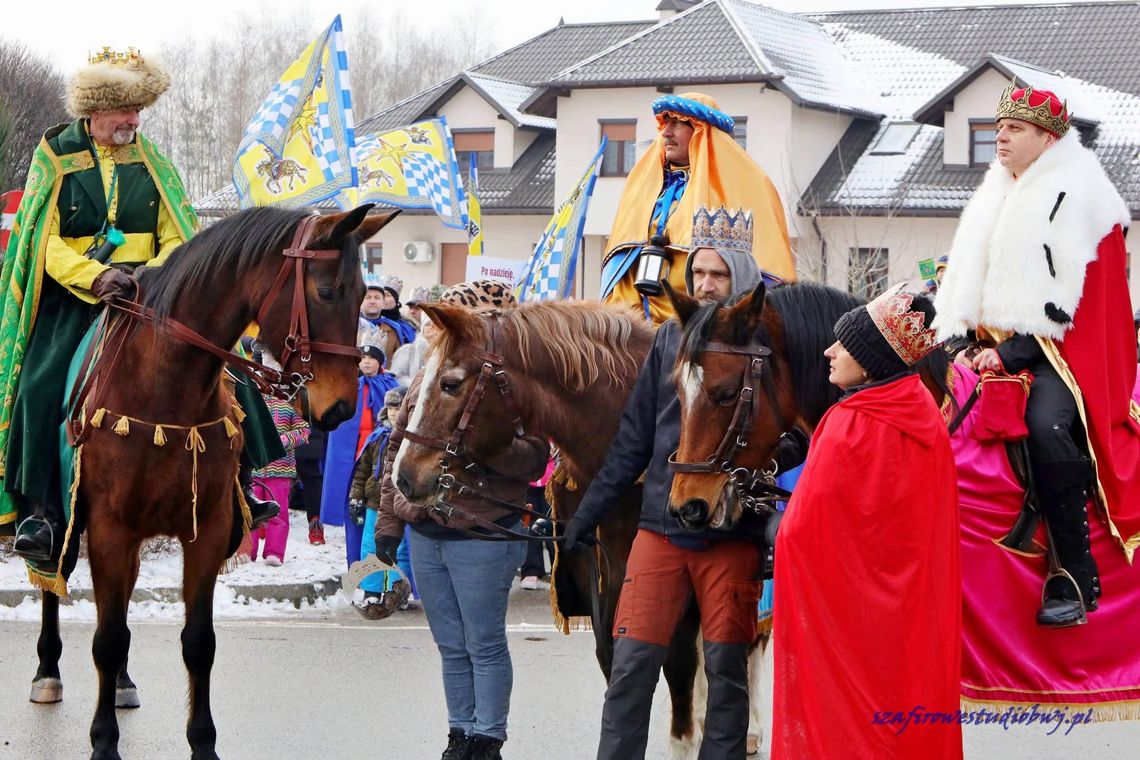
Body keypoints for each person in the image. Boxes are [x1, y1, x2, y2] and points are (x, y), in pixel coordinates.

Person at [0, 47, 278, 575]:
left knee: (231, 368)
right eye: (125, 111)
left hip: (152, 297)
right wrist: (96, 276)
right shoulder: (54, 157)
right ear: (95, 111)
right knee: (38, 386)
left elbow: (179, 235)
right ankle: (43, 516)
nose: (133, 121)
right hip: (78, 300)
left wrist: (153, 277)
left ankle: (243, 487)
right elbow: (43, 241)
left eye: (138, 111)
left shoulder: (153, 162)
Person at [561, 206, 774, 760]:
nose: (705, 285)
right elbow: (634, 438)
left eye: (719, 275)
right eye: (698, 272)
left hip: (731, 535)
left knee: (727, 674)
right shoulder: (668, 338)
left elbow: (790, 436)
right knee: (630, 667)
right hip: (660, 528)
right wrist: (585, 516)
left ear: (743, 277)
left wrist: (759, 478)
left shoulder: (770, 346)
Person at [933, 81, 1140, 627]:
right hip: (984, 346)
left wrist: (1015, 352)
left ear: (1049, 139)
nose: (1000, 137)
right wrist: (960, 333)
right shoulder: (996, 189)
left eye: (1015, 129)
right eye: (998, 128)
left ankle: (1074, 572)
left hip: (1060, 358)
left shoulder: (1085, 198)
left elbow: (1087, 306)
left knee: (1047, 427)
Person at [771, 286, 961, 760]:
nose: (829, 352)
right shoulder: (926, 417)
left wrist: (764, 527)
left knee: (845, 724)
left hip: (848, 623)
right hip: (910, 622)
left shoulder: (847, 422)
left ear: (871, 359)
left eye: (845, 345)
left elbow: (801, 535)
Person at [376, 280, 548, 760]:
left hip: (483, 533)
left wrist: (482, 443)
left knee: (484, 642)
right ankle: (460, 734)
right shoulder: (427, 378)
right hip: (424, 530)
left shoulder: (513, 385)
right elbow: (397, 451)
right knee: (451, 644)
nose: (435, 329)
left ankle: (487, 737)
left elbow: (535, 460)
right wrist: (388, 529)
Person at [599, 91, 794, 324]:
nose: (666, 133)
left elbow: (763, 277)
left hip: (702, 330)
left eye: (678, 123)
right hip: (634, 327)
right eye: (664, 123)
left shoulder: (747, 184)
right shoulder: (641, 182)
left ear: (704, 132)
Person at [321, 344, 398, 583]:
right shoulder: (348, 385)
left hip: (380, 455)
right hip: (351, 459)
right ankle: (356, 567)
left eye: (371, 358)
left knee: (382, 518)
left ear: (380, 362)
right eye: (362, 357)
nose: (365, 362)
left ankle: (388, 576)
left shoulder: (391, 387)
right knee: (354, 515)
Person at [247, 344, 310, 566]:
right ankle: (248, 549)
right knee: (248, 509)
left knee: (278, 512)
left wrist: (284, 440)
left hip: (280, 468)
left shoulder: (292, 401)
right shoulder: (251, 400)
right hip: (253, 466)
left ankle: (274, 552)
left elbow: (304, 431)